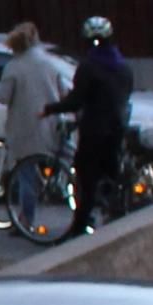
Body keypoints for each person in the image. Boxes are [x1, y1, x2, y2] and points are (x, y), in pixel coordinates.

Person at [48, 15, 134, 226]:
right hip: (117, 127)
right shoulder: (124, 67)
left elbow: (76, 101)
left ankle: (81, 225)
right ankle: (115, 212)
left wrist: (51, 108)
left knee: (87, 179)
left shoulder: (88, 67)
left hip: (94, 130)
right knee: (111, 173)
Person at [0, 21, 68, 231]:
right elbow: (63, 91)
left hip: (24, 128)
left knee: (26, 174)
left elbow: (2, 96)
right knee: (57, 162)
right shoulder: (50, 63)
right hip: (50, 124)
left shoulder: (14, 67)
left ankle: (26, 220)